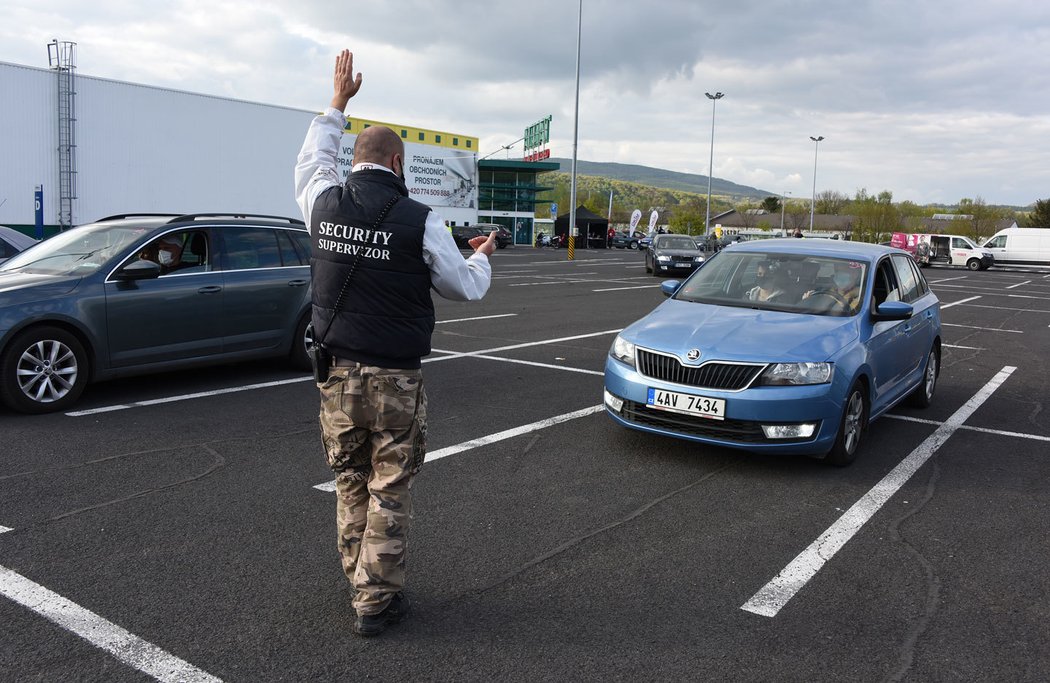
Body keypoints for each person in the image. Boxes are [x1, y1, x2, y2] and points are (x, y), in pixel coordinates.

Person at [294, 49, 497, 638]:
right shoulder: (420, 218)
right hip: (394, 380)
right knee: (390, 487)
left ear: (353, 161)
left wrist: (337, 104)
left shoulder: (321, 203)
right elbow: (462, 287)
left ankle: (360, 580)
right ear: (398, 161)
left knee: (351, 480)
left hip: (335, 375)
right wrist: (481, 259)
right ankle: (375, 600)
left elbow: (311, 161)